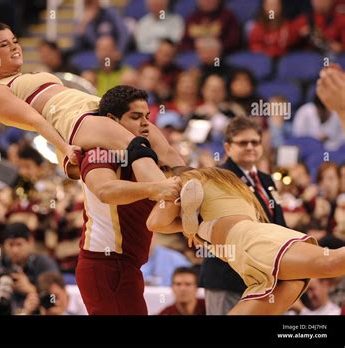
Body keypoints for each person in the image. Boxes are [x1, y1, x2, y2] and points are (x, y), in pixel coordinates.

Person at [0, 22, 184, 184]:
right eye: (4, 44)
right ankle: (167, 194)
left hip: (95, 104)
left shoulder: (30, 74)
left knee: (165, 147)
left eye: (15, 41)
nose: (14, 47)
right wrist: (65, 149)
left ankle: (199, 193)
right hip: (73, 120)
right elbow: (37, 122)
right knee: (137, 149)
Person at [147, 167, 345, 315]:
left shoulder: (186, 180)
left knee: (332, 262)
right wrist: (192, 226)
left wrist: (186, 221)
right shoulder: (229, 184)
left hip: (252, 245)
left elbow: (155, 222)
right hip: (254, 265)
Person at [75, 85, 182, 315]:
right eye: (136, 117)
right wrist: (157, 187)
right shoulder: (99, 151)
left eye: (147, 116)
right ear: (112, 121)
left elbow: (173, 157)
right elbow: (105, 190)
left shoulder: (142, 150)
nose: (145, 124)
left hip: (125, 265)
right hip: (105, 265)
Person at [198, 116, 287, 315]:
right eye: (243, 143)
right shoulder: (219, 177)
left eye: (255, 142)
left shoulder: (266, 179)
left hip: (261, 277)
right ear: (228, 147)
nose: (250, 147)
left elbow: (276, 220)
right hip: (226, 276)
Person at [0, 222, 60, 315]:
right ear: (4, 245)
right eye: (11, 245)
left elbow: (55, 301)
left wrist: (30, 289)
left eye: (19, 244)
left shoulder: (44, 262)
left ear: (30, 242)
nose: (15, 250)